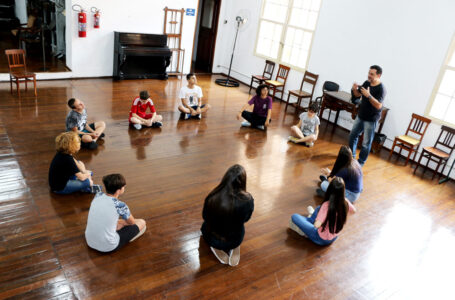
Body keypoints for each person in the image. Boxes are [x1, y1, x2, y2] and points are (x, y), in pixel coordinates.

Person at [201, 164, 254, 266]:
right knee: (237, 227)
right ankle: (234, 246)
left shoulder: (213, 196)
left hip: (212, 237)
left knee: (208, 226)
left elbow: (205, 217)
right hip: (236, 238)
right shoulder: (248, 200)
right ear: (243, 182)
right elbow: (246, 219)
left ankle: (216, 247)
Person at [85, 174, 146, 253]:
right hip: (108, 246)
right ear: (118, 190)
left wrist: (120, 223)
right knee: (141, 222)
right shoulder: (120, 205)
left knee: (118, 221)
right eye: (123, 186)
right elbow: (132, 222)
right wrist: (123, 223)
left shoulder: (97, 196)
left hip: (89, 240)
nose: (124, 188)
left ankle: (120, 224)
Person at [289, 177, 356, 246]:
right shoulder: (345, 201)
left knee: (295, 216)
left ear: (330, 189)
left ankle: (309, 222)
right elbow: (354, 211)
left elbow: (316, 225)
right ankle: (311, 219)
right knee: (318, 208)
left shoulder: (326, 205)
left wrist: (320, 220)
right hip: (334, 237)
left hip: (320, 238)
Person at [349, 65, 386, 166]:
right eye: (369, 73)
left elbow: (379, 105)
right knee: (352, 136)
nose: (369, 75)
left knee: (366, 143)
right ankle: (351, 157)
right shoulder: (366, 83)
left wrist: (369, 96)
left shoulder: (381, 89)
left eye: (372, 74)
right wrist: (354, 89)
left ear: (379, 75)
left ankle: (360, 163)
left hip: (371, 119)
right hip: (361, 115)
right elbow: (357, 95)